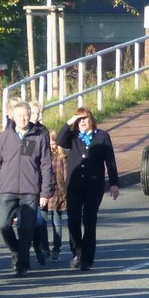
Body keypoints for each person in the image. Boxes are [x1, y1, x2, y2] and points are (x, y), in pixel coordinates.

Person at [0, 99, 54, 277]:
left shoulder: (38, 136)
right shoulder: (4, 136)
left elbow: (46, 165)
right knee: (2, 224)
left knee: (26, 228)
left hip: (30, 190)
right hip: (7, 188)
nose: (23, 119)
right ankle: (17, 250)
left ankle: (22, 264)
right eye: (19, 116)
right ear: (13, 117)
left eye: (26, 115)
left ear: (30, 116)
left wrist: (45, 193)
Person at [55, 108, 119, 272]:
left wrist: (114, 183)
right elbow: (61, 140)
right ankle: (77, 250)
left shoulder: (102, 136)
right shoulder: (73, 136)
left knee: (90, 222)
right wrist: (70, 121)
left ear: (91, 119)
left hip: (93, 185)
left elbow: (110, 160)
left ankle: (87, 258)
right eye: (79, 119)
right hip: (74, 185)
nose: (82, 121)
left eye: (85, 118)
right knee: (73, 220)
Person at [44, 130, 68, 261]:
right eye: (49, 143)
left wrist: (65, 194)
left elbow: (65, 176)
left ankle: (56, 249)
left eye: (54, 143)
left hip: (59, 194)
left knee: (57, 223)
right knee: (42, 223)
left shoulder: (62, 157)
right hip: (46, 194)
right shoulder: (44, 157)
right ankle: (44, 249)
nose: (52, 146)